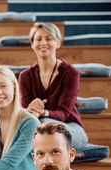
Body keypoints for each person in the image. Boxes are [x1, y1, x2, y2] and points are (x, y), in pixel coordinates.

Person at [19, 22, 88, 151]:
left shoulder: (71, 73)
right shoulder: (25, 76)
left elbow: (64, 113)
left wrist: (43, 112)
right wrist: (31, 110)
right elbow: (25, 114)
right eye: (38, 39)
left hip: (71, 129)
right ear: (32, 44)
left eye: (49, 39)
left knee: (43, 124)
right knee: (32, 125)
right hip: (37, 127)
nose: (43, 43)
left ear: (58, 43)